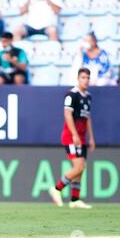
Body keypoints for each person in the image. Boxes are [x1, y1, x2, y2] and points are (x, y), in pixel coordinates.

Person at [49, 67, 95, 209]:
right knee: (80, 166)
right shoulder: (71, 94)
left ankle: (75, 199)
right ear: (77, 78)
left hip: (82, 137)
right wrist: (74, 134)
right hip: (71, 136)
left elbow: (87, 118)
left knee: (80, 169)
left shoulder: (88, 97)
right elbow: (67, 114)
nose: (86, 80)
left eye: (88, 78)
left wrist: (91, 138)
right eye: (83, 77)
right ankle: (57, 188)